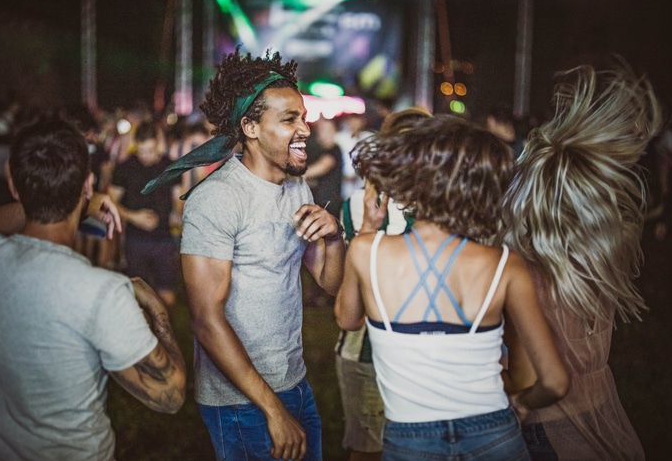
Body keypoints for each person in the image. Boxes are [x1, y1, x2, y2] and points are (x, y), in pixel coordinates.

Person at [144, 47, 346, 461]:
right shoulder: (218, 199)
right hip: (242, 400)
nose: (304, 128)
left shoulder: (297, 188)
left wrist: (334, 237)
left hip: (294, 381)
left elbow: (329, 282)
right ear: (250, 127)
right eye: (289, 119)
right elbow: (206, 320)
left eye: (303, 117)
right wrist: (272, 410)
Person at [334, 114, 569, 460]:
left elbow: (347, 319)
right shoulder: (505, 264)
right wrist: (521, 402)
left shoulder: (366, 250)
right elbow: (554, 382)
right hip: (495, 434)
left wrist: (369, 228)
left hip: (410, 440)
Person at [0, 120, 186, 459]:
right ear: (88, 184)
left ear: (12, 184)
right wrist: (156, 309)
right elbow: (171, 395)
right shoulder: (101, 293)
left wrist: (53, 197)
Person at [499, 62, 662, 459]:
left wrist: (514, 401)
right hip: (600, 414)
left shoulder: (524, 273)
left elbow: (531, 381)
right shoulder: (600, 258)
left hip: (547, 430)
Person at [334, 106, 431, 461]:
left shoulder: (447, 207)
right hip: (368, 355)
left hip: (428, 356)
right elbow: (351, 305)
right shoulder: (360, 206)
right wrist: (368, 229)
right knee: (369, 452)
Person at [109, 121, 180, 309]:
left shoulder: (171, 166)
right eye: (141, 151)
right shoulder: (124, 168)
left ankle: (165, 326)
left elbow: (178, 199)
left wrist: (176, 214)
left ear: (158, 143)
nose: (146, 156)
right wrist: (133, 217)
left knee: (167, 295)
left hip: (164, 239)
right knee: (139, 296)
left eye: (150, 150)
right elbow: (111, 202)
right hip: (135, 240)